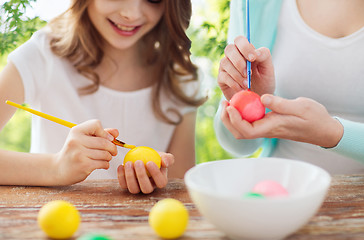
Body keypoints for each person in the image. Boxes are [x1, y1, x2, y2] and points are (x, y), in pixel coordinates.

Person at [0, 0, 205, 193]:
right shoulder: (42, 56)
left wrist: (159, 184)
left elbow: (182, 191)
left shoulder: (181, 80)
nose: (130, 14)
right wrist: (56, 167)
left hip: (139, 228)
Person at [214, 0, 364, 174]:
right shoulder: (251, 4)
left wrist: (334, 134)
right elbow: (239, 147)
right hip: (278, 189)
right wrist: (246, 104)